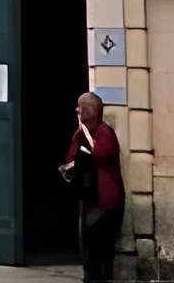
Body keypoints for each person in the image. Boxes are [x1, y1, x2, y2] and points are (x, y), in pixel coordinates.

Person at [60, 91, 124, 282]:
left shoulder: (105, 132)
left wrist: (86, 133)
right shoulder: (80, 134)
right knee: (88, 247)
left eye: (80, 107)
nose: (76, 110)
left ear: (89, 111)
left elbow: (102, 154)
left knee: (101, 248)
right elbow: (72, 156)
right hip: (88, 198)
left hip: (104, 202)